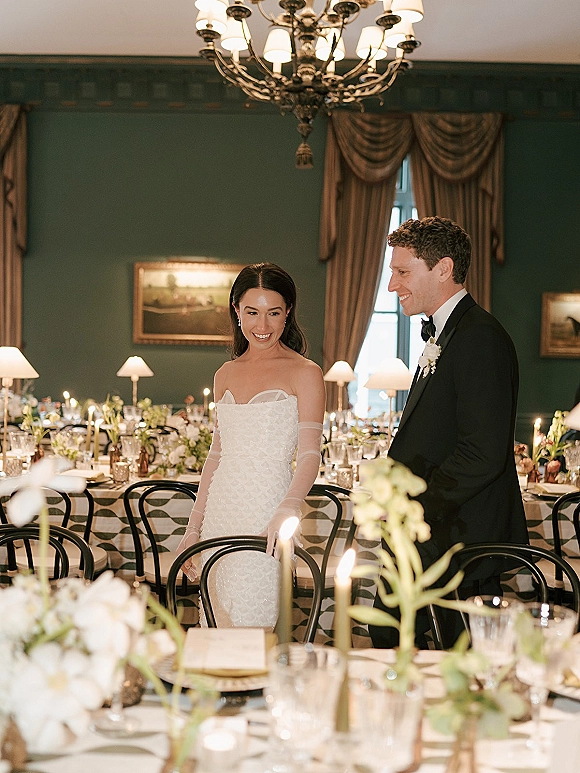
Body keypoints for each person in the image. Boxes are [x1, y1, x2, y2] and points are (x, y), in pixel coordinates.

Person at [370, 216, 529, 649]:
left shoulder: (480, 338)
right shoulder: (450, 332)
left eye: (401, 272)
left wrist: (410, 505)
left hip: (461, 536)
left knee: (460, 657)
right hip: (433, 534)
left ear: (442, 269)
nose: (391, 285)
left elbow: (482, 452)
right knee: (389, 632)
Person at [177, 262, 325, 628]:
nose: (263, 326)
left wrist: (286, 509)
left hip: (266, 510)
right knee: (215, 622)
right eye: (252, 312)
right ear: (236, 310)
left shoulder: (305, 372)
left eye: (274, 313)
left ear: (287, 313)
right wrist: (193, 528)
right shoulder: (224, 373)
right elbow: (216, 456)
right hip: (220, 512)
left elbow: (309, 454)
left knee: (255, 626)